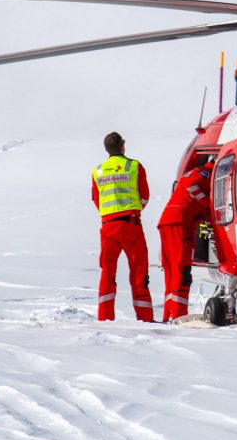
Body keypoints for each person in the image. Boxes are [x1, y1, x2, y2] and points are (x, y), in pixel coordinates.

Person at [91, 131, 154, 322]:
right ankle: (145, 318)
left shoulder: (98, 171)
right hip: (130, 225)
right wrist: (132, 210)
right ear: (122, 147)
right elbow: (144, 196)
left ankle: (104, 317)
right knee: (138, 271)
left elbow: (97, 200)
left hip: (108, 226)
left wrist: (111, 213)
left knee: (107, 272)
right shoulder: (134, 166)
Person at [158, 157, 214, 322]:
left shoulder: (197, 172)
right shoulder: (206, 173)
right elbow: (191, 186)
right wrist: (208, 203)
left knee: (171, 271)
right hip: (180, 222)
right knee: (182, 270)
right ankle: (178, 314)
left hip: (169, 221)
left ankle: (168, 313)